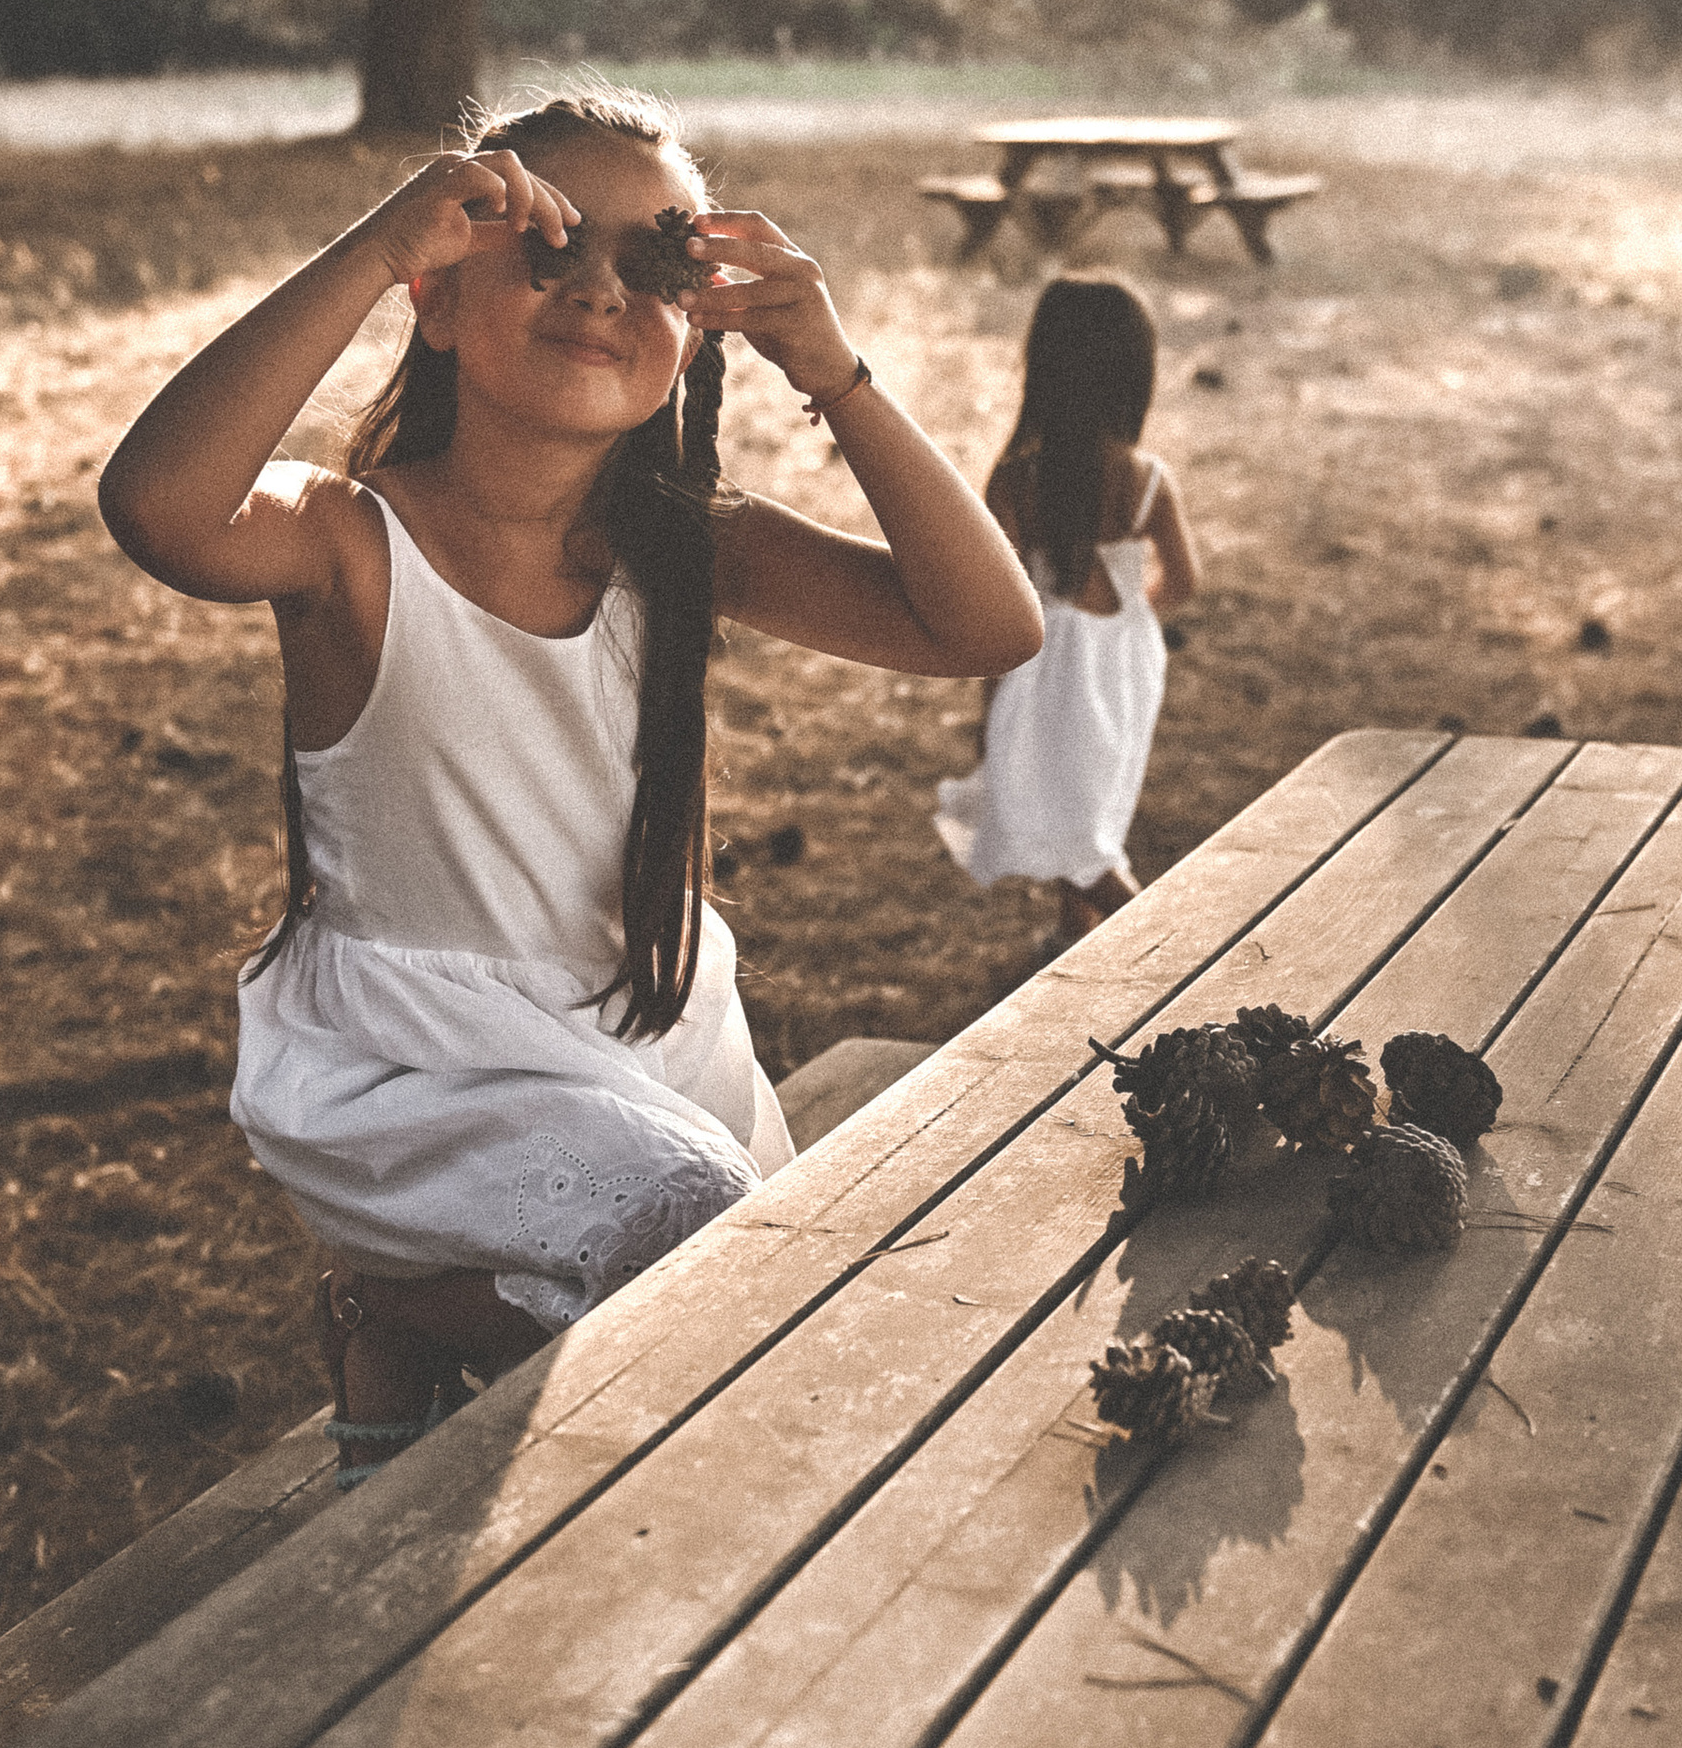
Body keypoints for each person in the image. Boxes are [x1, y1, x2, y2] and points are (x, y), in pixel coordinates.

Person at [99, 88, 1041, 1479]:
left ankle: (443, 1359)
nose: (600, 286)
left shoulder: (687, 547)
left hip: (655, 1030)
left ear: (695, 321)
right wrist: (371, 247)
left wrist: (828, 363)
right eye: (545, 244)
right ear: (438, 302)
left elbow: (988, 627)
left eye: (657, 262)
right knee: (696, 1238)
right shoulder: (352, 543)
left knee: (762, 1353)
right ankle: (397, 1303)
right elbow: (159, 504)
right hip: (428, 1065)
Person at [934, 273, 1199, 951]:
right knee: (1085, 800)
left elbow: (998, 601)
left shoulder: (1018, 481)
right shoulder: (1148, 481)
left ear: (1043, 373)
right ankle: (1072, 932)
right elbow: (1185, 581)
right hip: (1123, 667)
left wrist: (990, 709)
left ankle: (1158, 944)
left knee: (1073, 827)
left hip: (1042, 666)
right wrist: (1128, 622)